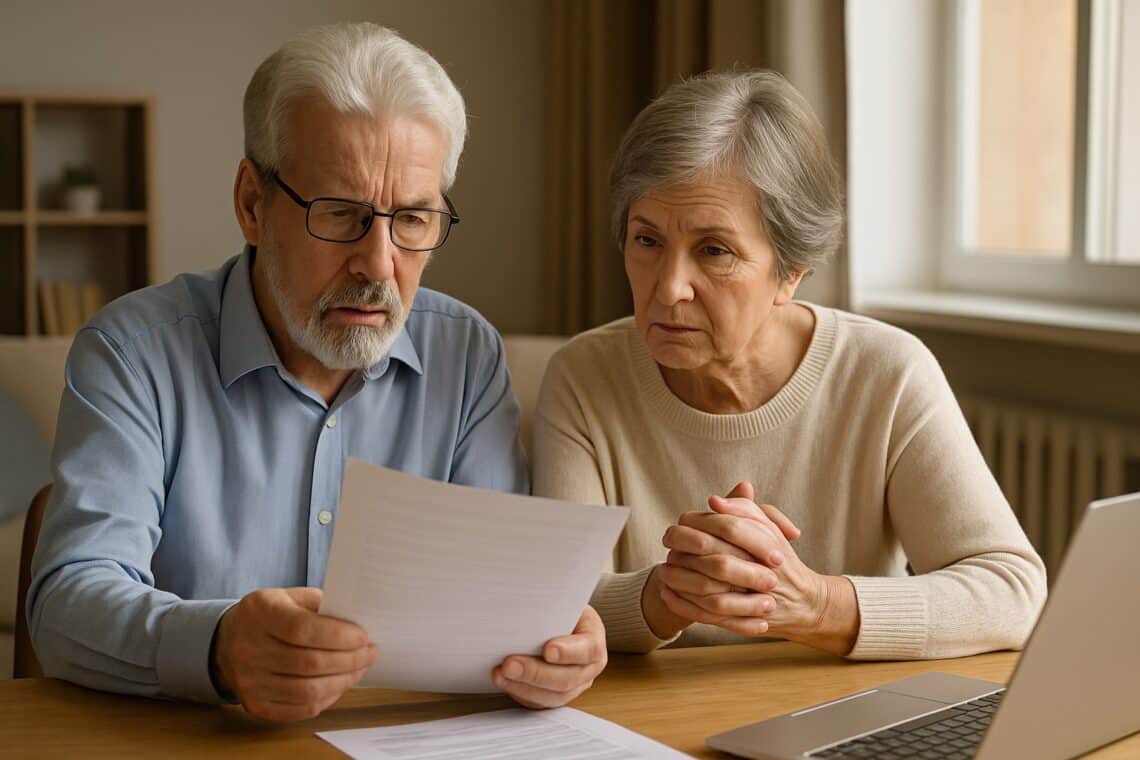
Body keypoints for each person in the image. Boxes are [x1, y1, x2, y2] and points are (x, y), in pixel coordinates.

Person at [28, 22, 605, 720]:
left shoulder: (468, 357)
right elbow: (66, 603)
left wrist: (556, 639)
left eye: (414, 220)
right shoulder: (133, 353)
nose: (379, 263)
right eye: (340, 215)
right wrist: (216, 648)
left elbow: (503, 595)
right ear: (252, 203)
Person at [532, 70, 1046, 660]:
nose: (669, 287)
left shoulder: (887, 372)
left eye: (714, 250)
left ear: (791, 271)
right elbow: (554, 602)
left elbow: (1012, 590)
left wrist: (817, 604)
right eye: (647, 241)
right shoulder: (584, 377)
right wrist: (669, 595)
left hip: (838, 719)